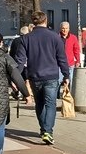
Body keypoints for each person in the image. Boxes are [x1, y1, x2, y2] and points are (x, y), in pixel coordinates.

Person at [15, 11, 68, 145]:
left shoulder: (26, 39)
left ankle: (44, 129)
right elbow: (62, 58)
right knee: (50, 104)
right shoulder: (55, 37)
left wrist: (14, 78)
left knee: (39, 104)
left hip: (35, 76)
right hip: (51, 76)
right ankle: (47, 131)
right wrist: (66, 75)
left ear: (34, 22)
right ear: (46, 21)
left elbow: (20, 61)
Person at [58, 21, 82, 88]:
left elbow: (76, 50)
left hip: (70, 63)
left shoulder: (73, 38)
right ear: (60, 29)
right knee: (58, 80)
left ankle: (70, 96)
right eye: (63, 28)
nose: (64, 30)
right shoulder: (56, 38)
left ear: (69, 29)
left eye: (66, 28)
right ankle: (56, 96)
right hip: (59, 64)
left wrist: (78, 61)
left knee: (70, 80)